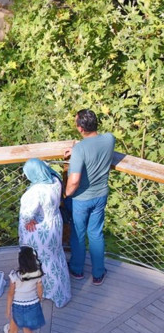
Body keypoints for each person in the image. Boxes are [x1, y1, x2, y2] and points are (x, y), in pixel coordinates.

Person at [63, 109, 115, 285]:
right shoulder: (109, 139)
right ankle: (98, 273)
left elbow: (75, 180)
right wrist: (77, 149)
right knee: (95, 233)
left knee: (78, 234)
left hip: (82, 199)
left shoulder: (80, 150)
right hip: (101, 195)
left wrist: (66, 193)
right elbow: (94, 146)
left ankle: (77, 270)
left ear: (80, 129)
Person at [19, 158, 71, 308]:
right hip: (54, 225)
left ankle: (38, 291)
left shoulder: (35, 192)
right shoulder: (55, 180)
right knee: (54, 258)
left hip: (39, 231)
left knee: (35, 259)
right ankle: (59, 291)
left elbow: (26, 214)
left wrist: (29, 219)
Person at [3, 246, 45, 333]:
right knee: (28, 331)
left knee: (16, 319)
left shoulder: (15, 276)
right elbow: (40, 289)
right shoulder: (38, 273)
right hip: (32, 304)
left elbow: (11, 293)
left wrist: (8, 309)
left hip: (18, 304)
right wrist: (40, 298)